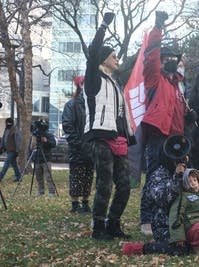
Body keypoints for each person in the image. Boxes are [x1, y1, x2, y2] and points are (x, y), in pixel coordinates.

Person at [139, 11, 195, 235]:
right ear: (161, 62)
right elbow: (151, 54)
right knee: (154, 175)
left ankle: (170, 216)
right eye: (167, 58)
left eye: (174, 58)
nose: (171, 61)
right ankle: (146, 218)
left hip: (176, 136)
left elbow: (178, 110)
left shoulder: (178, 86)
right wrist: (158, 27)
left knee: (175, 176)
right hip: (158, 135)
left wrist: (188, 119)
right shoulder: (154, 78)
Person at [83, 12, 136, 240]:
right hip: (100, 137)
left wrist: (127, 135)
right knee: (104, 184)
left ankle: (114, 223)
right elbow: (93, 53)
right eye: (114, 56)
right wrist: (104, 26)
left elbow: (121, 113)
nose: (117, 59)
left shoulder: (116, 83)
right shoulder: (93, 78)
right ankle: (98, 227)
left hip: (118, 139)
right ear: (103, 59)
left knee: (124, 185)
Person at [62, 76, 94, 213]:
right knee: (76, 176)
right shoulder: (72, 104)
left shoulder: (92, 104)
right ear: (81, 85)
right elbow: (67, 126)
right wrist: (78, 144)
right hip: (78, 148)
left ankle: (85, 203)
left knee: (88, 176)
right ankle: (75, 204)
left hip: (91, 148)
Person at [30, 121, 57, 196]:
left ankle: (52, 192)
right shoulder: (35, 135)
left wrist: (46, 141)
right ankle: (40, 191)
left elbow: (53, 144)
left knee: (48, 176)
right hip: (38, 158)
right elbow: (32, 147)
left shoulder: (48, 135)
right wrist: (33, 140)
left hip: (46, 158)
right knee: (38, 177)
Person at [0, 118, 21, 183]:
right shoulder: (6, 130)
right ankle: (19, 178)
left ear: (10, 123)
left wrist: (18, 150)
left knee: (6, 164)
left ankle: (0, 177)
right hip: (8, 150)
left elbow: (18, 141)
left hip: (13, 151)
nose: (6, 124)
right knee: (14, 165)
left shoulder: (15, 130)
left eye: (7, 123)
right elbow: (4, 139)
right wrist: (1, 147)